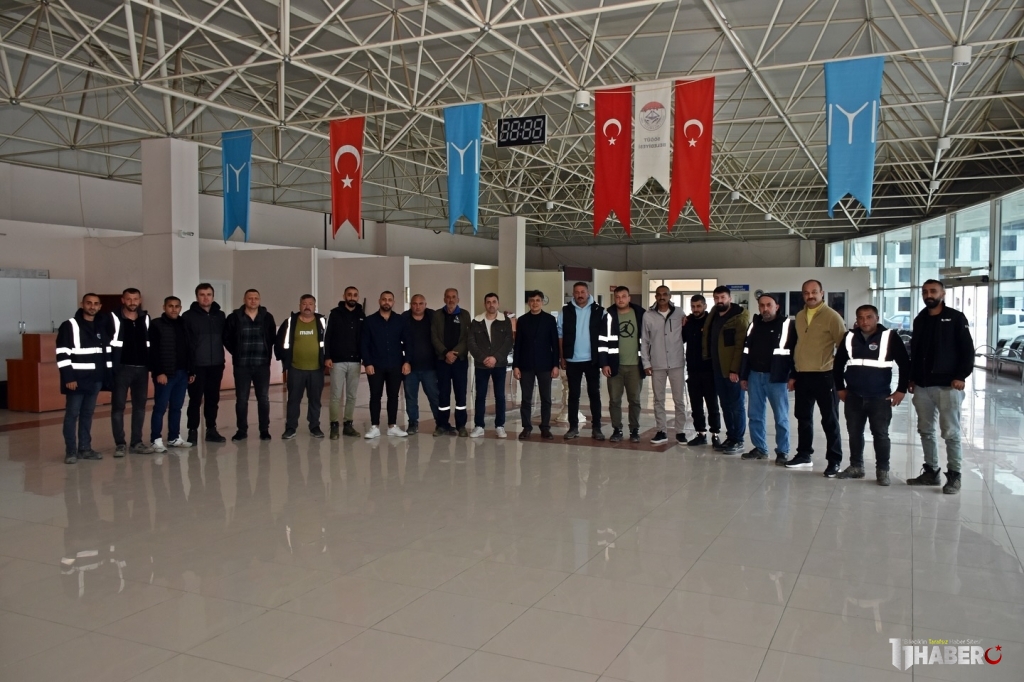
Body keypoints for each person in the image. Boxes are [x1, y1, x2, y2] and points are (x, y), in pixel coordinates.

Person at [907, 280, 975, 494]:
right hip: (922, 385)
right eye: (925, 292)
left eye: (933, 291)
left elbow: (967, 350)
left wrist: (961, 376)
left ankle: (954, 475)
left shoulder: (955, 318)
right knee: (925, 430)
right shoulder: (920, 319)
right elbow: (915, 351)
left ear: (942, 293)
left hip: (948, 385)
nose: (929, 295)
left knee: (950, 432)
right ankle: (931, 472)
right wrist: (911, 378)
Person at [834, 304, 910, 486]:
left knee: (881, 434)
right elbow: (838, 364)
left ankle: (882, 471)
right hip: (853, 396)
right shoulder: (849, 337)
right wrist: (840, 388)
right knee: (854, 433)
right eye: (860, 317)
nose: (864, 321)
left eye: (869, 317)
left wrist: (901, 390)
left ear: (877, 318)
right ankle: (856, 467)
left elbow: (905, 364)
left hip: (879, 397)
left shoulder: (889, 337)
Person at [786, 279, 846, 476]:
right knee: (803, 418)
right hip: (803, 376)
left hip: (825, 376)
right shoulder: (800, 316)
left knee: (830, 420)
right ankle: (804, 455)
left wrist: (838, 375)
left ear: (822, 293)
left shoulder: (832, 317)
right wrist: (794, 374)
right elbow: (797, 346)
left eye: (814, 292)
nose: (810, 296)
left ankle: (834, 461)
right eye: (806, 292)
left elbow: (843, 348)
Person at [739, 294, 796, 464]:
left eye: (769, 305)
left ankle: (783, 451)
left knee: (781, 417)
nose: (765, 309)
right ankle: (760, 448)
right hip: (755, 376)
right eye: (762, 305)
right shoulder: (754, 325)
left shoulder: (787, 325)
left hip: (777, 378)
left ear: (777, 306)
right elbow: (746, 352)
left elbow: (795, 352)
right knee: (755, 415)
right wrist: (744, 375)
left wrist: (793, 376)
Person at [56, 293, 112, 463]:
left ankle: (85, 449)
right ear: (82, 304)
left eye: (95, 303)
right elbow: (62, 354)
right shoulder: (69, 325)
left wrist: (107, 377)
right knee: (72, 414)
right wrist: (68, 378)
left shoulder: (101, 326)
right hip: (77, 380)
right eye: (89, 303)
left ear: (100, 306)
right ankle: (71, 451)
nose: (92, 306)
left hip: (96, 379)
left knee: (87, 414)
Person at [223, 289, 277, 442]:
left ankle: (264, 430)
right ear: (244, 300)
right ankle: (241, 430)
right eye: (250, 298)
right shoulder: (234, 317)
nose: (253, 301)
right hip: (242, 365)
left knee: (263, 398)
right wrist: (236, 352)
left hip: (262, 364)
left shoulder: (267, 317)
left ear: (259, 300)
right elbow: (226, 337)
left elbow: (272, 337)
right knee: (241, 399)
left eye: (256, 298)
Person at [704, 286, 750, 455]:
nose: (719, 301)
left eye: (722, 297)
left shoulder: (738, 318)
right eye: (716, 298)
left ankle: (738, 440)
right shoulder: (714, 315)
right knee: (725, 405)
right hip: (718, 369)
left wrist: (735, 369)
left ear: (730, 298)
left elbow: (740, 346)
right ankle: (731, 437)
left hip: (732, 371)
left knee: (736, 405)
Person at [108, 288, 153, 456]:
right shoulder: (113, 318)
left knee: (140, 407)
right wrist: (112, 367)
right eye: (129, 299)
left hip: (142, 369)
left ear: (140, 300)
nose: (132, 302)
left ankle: (137, 442)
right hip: (122, 369)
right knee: (118, 407)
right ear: (123, 300)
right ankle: (120, 444)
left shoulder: (146, 318)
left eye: (135, 299)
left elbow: (150, 343)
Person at [558, 282, 605, 441]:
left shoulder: (599, 311)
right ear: (573, 294)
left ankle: (597, 428)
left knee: (594, 394)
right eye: (576, 292)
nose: (580, 295)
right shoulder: (566, 311)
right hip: (572, 359)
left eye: (582, 292)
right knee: (573, 395)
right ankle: (573, 427)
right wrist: (562, 356)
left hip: (592, 360)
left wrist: (603, 359)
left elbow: (605, 336)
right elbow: (560, 335)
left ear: (588, 292)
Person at [276, 294, 327, 440]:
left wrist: (327, 358)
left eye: (310, 304)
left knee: (315, 400)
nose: (307, 306)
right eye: (304, 303)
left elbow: (329, 341)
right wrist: (284, 359)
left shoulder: (322, 322)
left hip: (316, 369)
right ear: (299, 305)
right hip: (295, 369)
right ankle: (290, 428)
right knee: (293, 400)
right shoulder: (290, 322)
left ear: (315, 306)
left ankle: (315, 426)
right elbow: (279, 341)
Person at [182, 283, 227, 444]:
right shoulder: (188, 316)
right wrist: (189, 367)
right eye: (202, 294)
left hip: (216, 364)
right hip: (197, 366)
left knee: (213, 399)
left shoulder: (220, 315)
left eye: (208, 294)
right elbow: (185, 344)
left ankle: (211, 429)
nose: (206, 298)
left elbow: (226, 337)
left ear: (213, 296)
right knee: (195, 399)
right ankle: (192, 430)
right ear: (197, 297)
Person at [641, 285, 687, 445]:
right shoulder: (648, 316)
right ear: (655, 296)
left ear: (669, 296)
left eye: (665, 294)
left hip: (676, 363)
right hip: (657, 363)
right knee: (658, 399)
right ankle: (661, 431)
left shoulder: (679, 313)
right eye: (659, 294)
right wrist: (646, 363)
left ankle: (680, 431)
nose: (662, 297)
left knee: (679, 400)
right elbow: (644, 341)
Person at [148, 296, 194, 452]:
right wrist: (159, 372)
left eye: (177, 306)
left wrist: (191, 370)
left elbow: (189, 348)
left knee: (177, 407)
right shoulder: (156, 324)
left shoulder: (184, 324)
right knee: (160, 407)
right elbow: (153, 351)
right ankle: (156, 439)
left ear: (180, 308)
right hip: (165, 374)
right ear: (164, 307)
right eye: (170, 306)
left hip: (182, 373)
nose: (174, 309)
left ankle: (174, 437)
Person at [600, 286, 645, 443]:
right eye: (617, 297)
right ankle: (617, 429)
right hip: (615, 366)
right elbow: (602, 341)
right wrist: (604, 363)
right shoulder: (608, 316)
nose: (620, 299)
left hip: (635, 366)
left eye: (623, 296)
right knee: (614, 400)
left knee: (635, 400)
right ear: (614, 298)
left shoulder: (640, 314)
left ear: (629, 298)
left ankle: (634, 430)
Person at [362, 291, 410, 439]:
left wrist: (407, 361)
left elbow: (408, 342)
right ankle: (374, 426)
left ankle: (392, 426)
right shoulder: (369, 321)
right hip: (375, 365)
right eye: (384, 299)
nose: (386, 302)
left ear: (393, 302)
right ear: (379, 301)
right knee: (375, 396)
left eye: (389, 300)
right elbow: (364, 344)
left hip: (396, 364)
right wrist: (367, 363)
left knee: (393, 396)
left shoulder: (400, 320)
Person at [513, 290, 560, 440]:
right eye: (532, 300)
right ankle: (526, 427)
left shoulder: (550, 320)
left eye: (538, 300)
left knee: (546, 398)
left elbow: (555, 345)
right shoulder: (522, 320)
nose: (535, 303)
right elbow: (518, 345)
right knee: (526, 399)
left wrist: (556, 365)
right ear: (528, 303)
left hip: (545, 365)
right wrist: (515, 366)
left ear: (542, 302)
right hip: (526, 364)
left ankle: (545, 427)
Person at [467, 293, 514, 439]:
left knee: (500, 395)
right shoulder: (477, 321)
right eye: (488, 302)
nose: (491, 304)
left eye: (494, 302)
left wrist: (495, 358)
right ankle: (479, 426)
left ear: (498, 304)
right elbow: (471, 342)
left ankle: (500, 426)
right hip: (481, 365)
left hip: (499, 365)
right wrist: (483, 358)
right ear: (485, 304)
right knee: (480, 396)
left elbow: (508, 342)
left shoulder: (505, 321)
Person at [324, 286, 364, 439]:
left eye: (355, 295)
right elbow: (327, 336)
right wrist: (327, 357)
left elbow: (364, 338)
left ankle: (348, 424)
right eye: (349, 295)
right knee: (335, 395)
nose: (352, 297)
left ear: (357, 297)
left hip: (355, 361)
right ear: (344, 296)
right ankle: (334, 425)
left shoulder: (361, 315)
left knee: (352, 395)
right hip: (337, 361)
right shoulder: (335, 313)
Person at [682, 295, 721, 448]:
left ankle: (715, 434)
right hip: (693, 371)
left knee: (712, 405)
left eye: (699, 306)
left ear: (705, 306)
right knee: (696, 406)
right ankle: (700, 434)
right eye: (693, 306)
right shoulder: (688, 322)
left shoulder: (711, 321)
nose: (696, 309)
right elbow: (682, 339)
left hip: (709, 371)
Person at [432, 288, 471, 437]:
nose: (451, 300)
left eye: (454, 297)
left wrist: (454, 353)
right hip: (442, 361)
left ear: (458, 299)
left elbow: (467, 337)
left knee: (461, 394)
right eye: (448, 297)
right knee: (443, 394)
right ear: (444, 299)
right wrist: (445, 353)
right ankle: (442, 425)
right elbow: (434, 337)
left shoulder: (465, 315)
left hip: (459, 361)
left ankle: (461, 425)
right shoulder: (437, 315)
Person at [402, 294, 441, 434]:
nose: (417, 306)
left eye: (420, 303)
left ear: (425, 304)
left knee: (434, 396)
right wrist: (405, 361)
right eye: (414, 303)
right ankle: (413, 423)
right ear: (410, 305)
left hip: (430, 367)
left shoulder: (433, 318)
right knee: (411, 397)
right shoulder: (404, 319)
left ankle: (440, 423)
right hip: (410, 367)